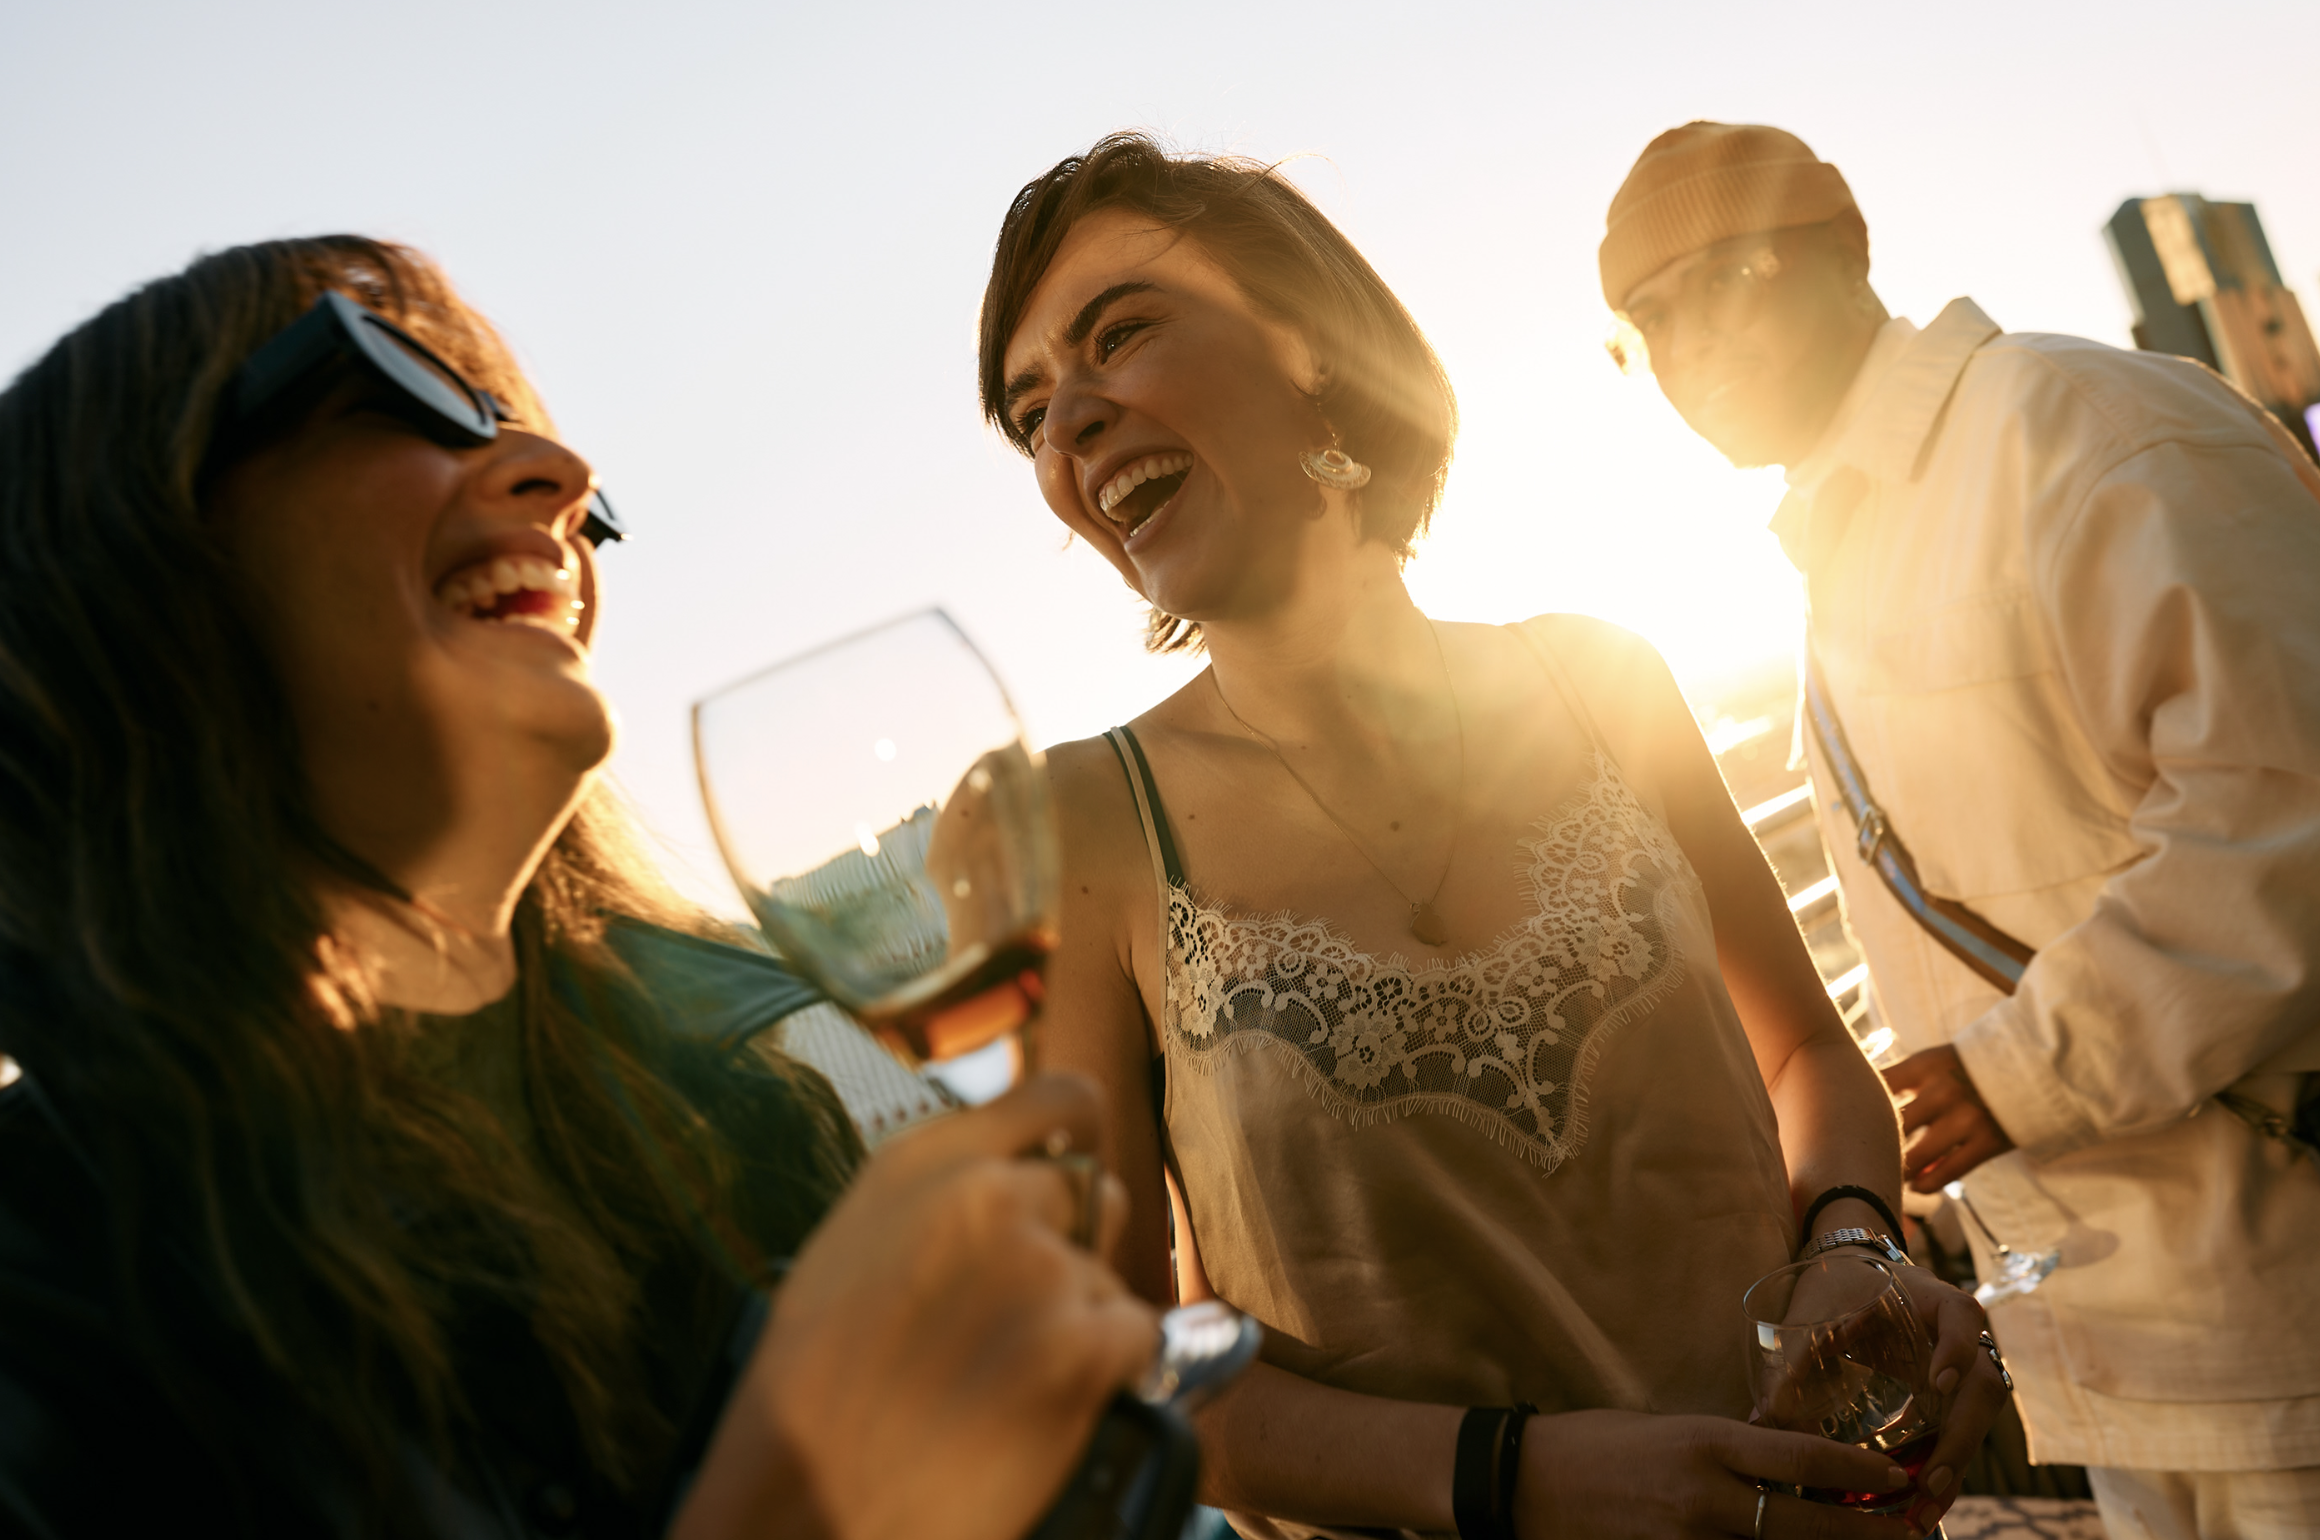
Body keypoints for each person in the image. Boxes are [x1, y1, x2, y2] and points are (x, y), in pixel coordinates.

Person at [0, 235, 1157, 1540]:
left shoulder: (731, 1107)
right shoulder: (44, 1301)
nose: (565, 478)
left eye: (524, 428)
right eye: (396, 384)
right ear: (112, 563)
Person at [981, 132, 2005, 1540]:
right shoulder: (1084, 823)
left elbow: (1808, 1054)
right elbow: (1131, 1361)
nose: (1068, 424)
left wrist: (1852, 1245)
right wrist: (1524, 1479)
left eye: (1121, 334)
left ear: (1315, 344)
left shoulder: (1602, 678)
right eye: (1030, 407)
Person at [1599, 121, 2320, 1540]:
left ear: (1845, 258)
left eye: (1722, 276)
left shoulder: (2084, 431)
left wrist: (2019, 1075)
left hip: (2274, 1304)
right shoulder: (1854, 550)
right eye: (1646, 320)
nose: (1687, 341)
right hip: (2125, 1348)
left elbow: (2284, 799)